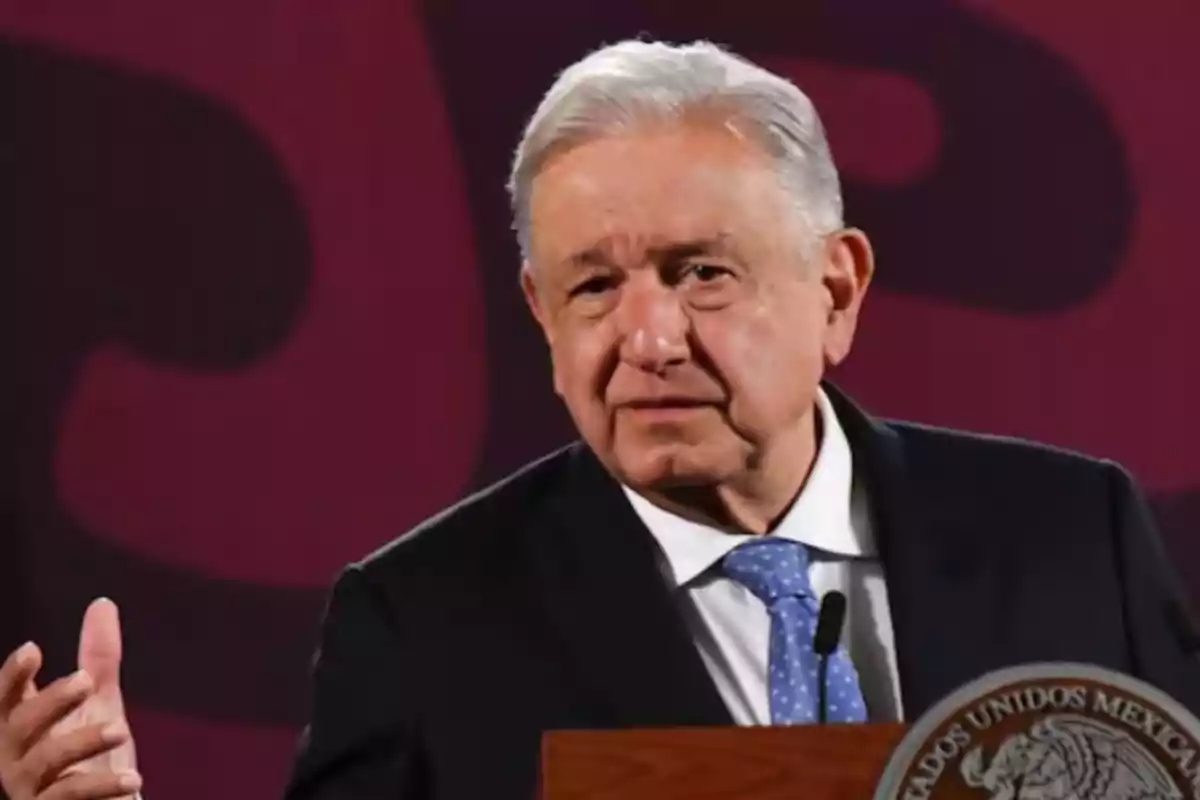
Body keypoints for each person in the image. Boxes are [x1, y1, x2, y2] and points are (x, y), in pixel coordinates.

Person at [2, 38, 1198, 800]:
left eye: (700, 273)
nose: (646, 338)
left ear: (836, 290)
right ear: (538, 312)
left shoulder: (1070, 533)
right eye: (592, 286)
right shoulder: (422, 624)